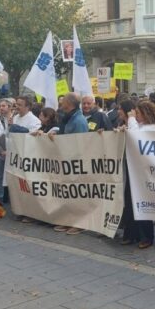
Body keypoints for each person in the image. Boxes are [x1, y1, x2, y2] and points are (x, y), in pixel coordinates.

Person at [122, 101, 155, 248]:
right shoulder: (140, 126)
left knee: (144, 203)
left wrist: (131, 119)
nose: (136, 116)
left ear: (146, 114)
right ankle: (132, 233)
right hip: (135, 170)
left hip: (145, 172)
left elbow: (136, 137)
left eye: (138, 114)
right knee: (131, 203)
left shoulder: (152, 127)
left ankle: (147, 236)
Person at [49, 93, 88, 235]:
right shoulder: (69, 118)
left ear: (69, 103)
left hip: (75, 162)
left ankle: (79, 223)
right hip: (66, 160)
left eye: (64, 100)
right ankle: (69, 220)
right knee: (68, 193)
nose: (61, 102)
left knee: (76, 194)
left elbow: (80, 144)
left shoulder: (79, 121)